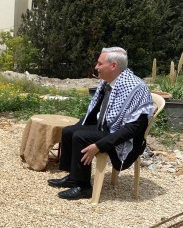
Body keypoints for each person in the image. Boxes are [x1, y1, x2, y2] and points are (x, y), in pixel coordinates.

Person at [48, 47, 154, 200]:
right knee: (69, 131)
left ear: (113, 66)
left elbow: (133, 129)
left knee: (80, 136)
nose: (96, 67)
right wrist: (80, 125)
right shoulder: (108, 82)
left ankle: (84, 187)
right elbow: (95, 111)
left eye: (99, 64)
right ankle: (74, 176)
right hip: (108, 126)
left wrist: (100, 145)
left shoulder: (136, 88)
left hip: (123, 137)